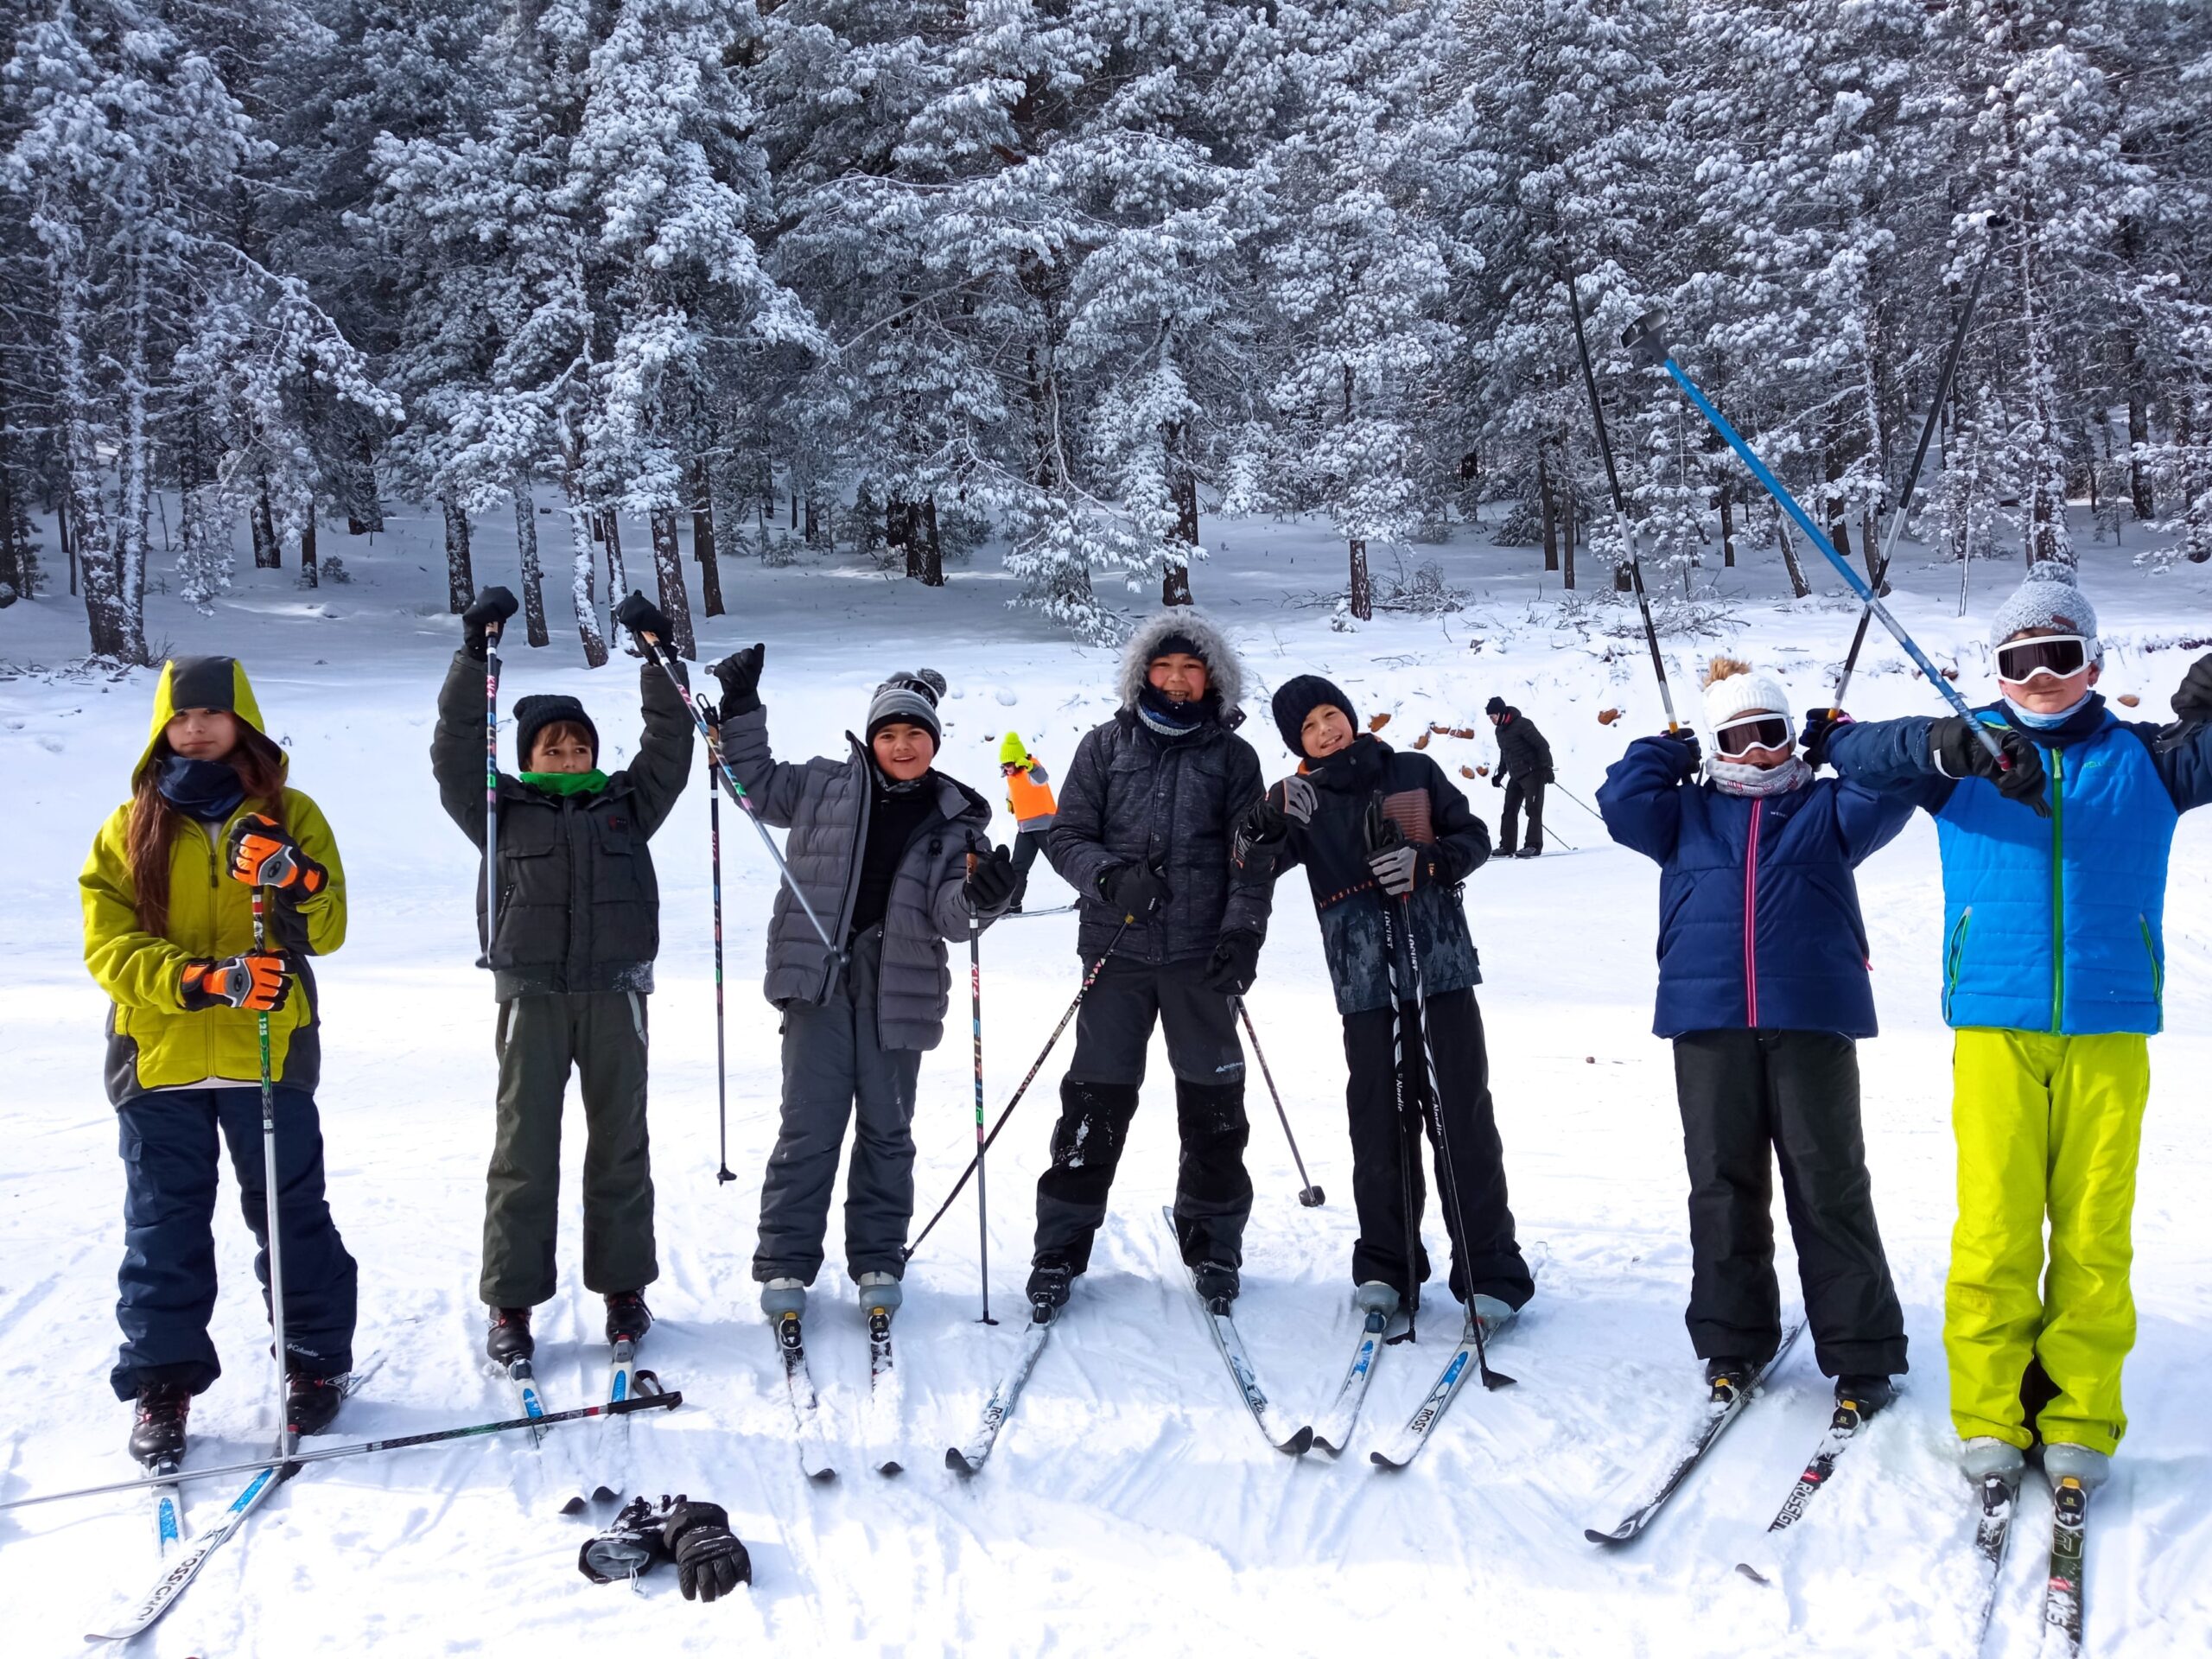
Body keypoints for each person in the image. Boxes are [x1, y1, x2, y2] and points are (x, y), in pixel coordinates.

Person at [1817, 563, 2212, 1499]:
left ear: (2093, 664)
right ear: (1994, 671)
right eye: (2019, 659)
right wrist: (1945, 744)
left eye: (2060, 655)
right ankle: (1992, 1414)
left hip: (2108, 1026)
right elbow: (1846, 749)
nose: (2040, 676)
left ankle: (2078, 1415)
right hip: (1996, 1025)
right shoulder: (1967, 764)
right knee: (1995, 1229)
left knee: (2093, 1233)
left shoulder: (2149, 761)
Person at [1599, 657, 1914, 1412]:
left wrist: (1842, 742)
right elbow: (1621, 801)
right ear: (1714, 746)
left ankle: (1862, 1351)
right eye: (1736, 738)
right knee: (1721, 1183)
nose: (1758, 752)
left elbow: (1891, 787)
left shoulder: (1827, 808)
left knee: (1829, 1183)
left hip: (1810, 1017)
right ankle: (1732, 1340)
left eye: (1771, 733)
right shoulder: (1683, 813)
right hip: (1709, 1020)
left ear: (1791, 736)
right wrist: (1664, 752)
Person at [81, 655, 359, 1463]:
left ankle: (312, 1362)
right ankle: (161, 1384)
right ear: (160, 727)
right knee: (162, 1225)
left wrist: (295, 876)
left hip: (268, 1053)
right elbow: (109, 946)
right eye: (180, 716)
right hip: (157, 1057)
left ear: (243, 720)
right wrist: (203, 980)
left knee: (290, 1213)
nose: (195, 728)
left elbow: (329, 929)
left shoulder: (290, 813)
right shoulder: (128, 826)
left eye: (211, 713)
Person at [710, 645, 1016, 1324]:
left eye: (915, 734)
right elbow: (749, 782)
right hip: (819, 977)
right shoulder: (822, 784)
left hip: (898, 988)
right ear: (870, 738)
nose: (903, 746)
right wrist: (741, 708)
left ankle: (878, 1257)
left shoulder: (956, 820)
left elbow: (953, 919)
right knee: (809, 1127)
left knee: (887, 1130)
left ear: (934, 741)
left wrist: (985, 897)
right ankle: (787, 1263)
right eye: (889, 733)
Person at [430, 588, 691, 1368]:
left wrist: (657, 657)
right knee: (524, 1151)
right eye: (553, 749)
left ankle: (623, 1289)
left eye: (579, 748)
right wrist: (473, 656)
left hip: (616, 994)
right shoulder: (497, 810)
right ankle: (511, 1302)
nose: (569, 759)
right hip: (532, 998)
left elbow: (670, 742)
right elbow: (455, 747)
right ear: (528, 759)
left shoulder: (626, 806)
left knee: (620, 1146)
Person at [1233, 675, 1533, 1336]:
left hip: (1440, 973)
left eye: (1330, 714)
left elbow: (1474, 839)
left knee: (1462, 1120)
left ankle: (1491, 1272)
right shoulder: (1302, 800)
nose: (1325, 731)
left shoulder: (1413, 771)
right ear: (1297, 743)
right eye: (1308, 727)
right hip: (1365, 983)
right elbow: (1249, 867)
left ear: (1349, 714)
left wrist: (1427, 863)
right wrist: (1262, 822)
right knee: (1377, 1124)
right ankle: (1386, 1267)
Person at [1025, 609, 1273, 1319]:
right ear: (1143, 674)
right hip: (1117, 952)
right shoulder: (1104, 746)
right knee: (1094, 1103)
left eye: (1190, 668)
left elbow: (1250, 860)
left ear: (1211, 679)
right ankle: (1060, 1246)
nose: (1176, 679)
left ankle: (1213, 1240)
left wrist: (1242, 935)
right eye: (1163, 667)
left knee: (1214, 1105)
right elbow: (1065, 835)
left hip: (1201, 958)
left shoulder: (1234, 758)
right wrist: (1109, 878)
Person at [1484, 696, 1553, 857]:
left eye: (1493, 716)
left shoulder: (1523, 724)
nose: (1491, 720)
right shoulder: (1499, 731)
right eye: (1490, 717)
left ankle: (1533, 845)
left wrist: (1547, 768)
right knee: (1509, 810)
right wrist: (1500, 773)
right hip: (1516, 775)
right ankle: (1507, 846)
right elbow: (1505, 753)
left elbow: (1542, 745)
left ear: (1501, 713)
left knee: (1533, 810)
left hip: (1533, 773)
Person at [998, 731, 1058, 912]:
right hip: (1025, 829)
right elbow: (1014, 790)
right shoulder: (1011, 776)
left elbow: (1042, 778)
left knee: (1061, 862)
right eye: (1004, 765)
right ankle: (1013, 903)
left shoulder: (1032, 767)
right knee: (1017, 867)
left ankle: (1089, 896)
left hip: (1045, 826)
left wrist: (1030, 766)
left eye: (1009, 765)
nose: (1006, 769)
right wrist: (1010, 801)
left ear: (1018, 761)